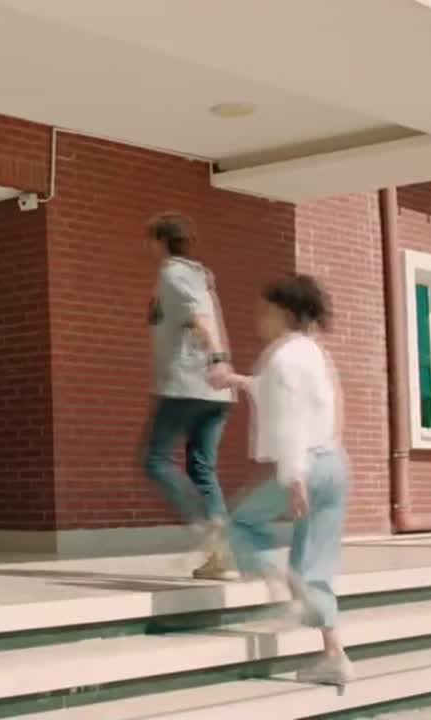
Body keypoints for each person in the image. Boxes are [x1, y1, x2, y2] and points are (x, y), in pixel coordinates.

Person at [211, 274, 352, 686]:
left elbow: (290, 421)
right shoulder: (311, 351)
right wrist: (238, 381)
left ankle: (278, 584)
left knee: (238, 524)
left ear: (284, 313)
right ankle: (334, 654)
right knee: (315, 567)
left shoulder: (283, 357)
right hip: (334, 463)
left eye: (264, 311)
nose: (259, 318)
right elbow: (289, 396)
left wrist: (293, 477)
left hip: (305, 465)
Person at [141, 212, 237, 580]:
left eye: (151, 239)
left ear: (159, 240)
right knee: (201, 468)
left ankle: (211, 527)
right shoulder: (198, 274)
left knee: (156, 460)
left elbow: (200, 319)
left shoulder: (174, 273)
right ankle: (221, 558)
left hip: (189, 384)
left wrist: (217, 358)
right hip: (215, 391)